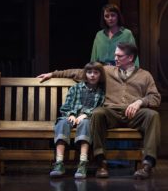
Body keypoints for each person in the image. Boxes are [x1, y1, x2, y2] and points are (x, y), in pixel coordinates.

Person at [38, 42, 161, 179]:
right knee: (97, 113)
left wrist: (140, 102)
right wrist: (53, 74)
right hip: (111, 113)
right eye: (115, 55)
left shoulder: (145, 75)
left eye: (119, 56)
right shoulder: (108, 71)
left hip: (134, 114)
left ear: (130, 57)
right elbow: (79, 72)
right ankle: (101, 162)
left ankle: (147, 164)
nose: (115, 58)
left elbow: (155, 97)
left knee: (153, 115)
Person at [50, 62, 106, 179]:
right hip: (71, 117)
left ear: (100, 75)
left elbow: (101, 107)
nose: (92, 75)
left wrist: (86, 114)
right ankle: (59, 163)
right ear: (85, 74)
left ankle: (83, 162)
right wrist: (70, 114)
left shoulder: (101, 92)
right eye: (89, 72)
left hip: (87, 119)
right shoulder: (76, 88)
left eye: (96, 73)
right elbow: (66, 106)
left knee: (86, 124)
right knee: (62, 123)